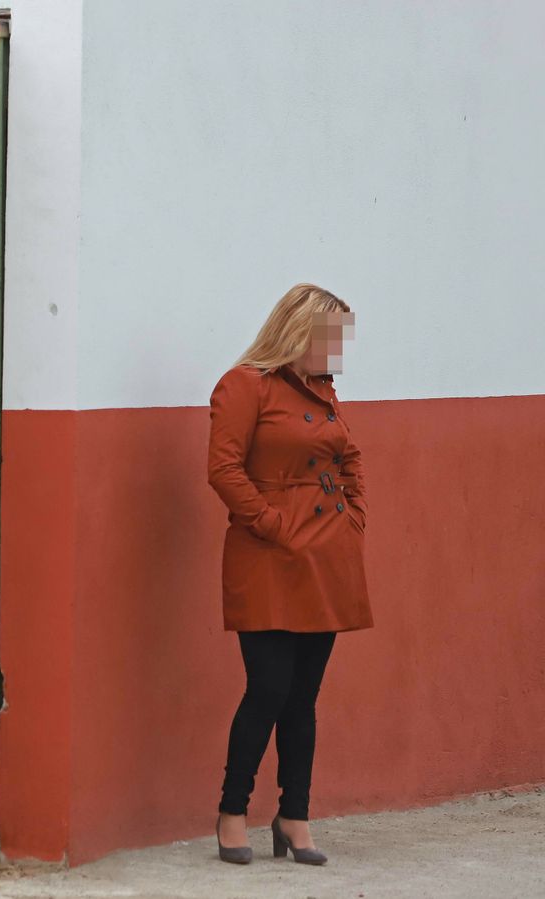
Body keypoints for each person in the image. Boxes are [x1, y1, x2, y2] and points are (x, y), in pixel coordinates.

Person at [207, 284, 370, 867]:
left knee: (304, 698)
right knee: (268, 689)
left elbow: (349, 459)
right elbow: (223, 469)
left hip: (326, 554)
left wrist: (354, 515)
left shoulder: (324, 391)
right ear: (299, 330)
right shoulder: (244, 384)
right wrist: (272, 524)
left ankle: (293, 816)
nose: (338, 349)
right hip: (268, 556)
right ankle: (232, 811)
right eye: (330, 336)